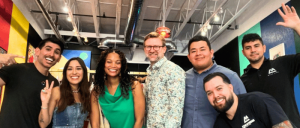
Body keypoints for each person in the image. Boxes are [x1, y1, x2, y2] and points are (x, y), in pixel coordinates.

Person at [240, 3, 300, 127]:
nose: (253, 50)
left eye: (256, 46)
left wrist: (298, 27)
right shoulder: (242, 80)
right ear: (243, 52)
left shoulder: (283, 63)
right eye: (248, 48)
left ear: (263, 48)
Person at [181, 35, 246, 128]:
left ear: (211, 53)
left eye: (202, 49)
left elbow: (243, 109)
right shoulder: (182, 78)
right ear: (189, 57)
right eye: (193, 51)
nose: (198, 53)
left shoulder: (230, 76)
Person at [0, 37, 64, 128]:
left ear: (59, 58)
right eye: (48, 49)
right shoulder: (16, 70)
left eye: (56, 52)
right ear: (37, 51)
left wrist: (45, 104)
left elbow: (44, 122)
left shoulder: (54, 83)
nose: (51, 54)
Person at [203, 72, 293, 128]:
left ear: (230, 88)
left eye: (219, 88)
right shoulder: (220, 124)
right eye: (209, 93)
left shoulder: (257, 100)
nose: (215, 95)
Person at [91, 49, 145, 128]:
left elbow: (140, 120)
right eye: (109, 62)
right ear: (103, 65)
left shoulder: (134, 86)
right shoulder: (97, 91)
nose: (113, 65)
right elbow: (95, 123)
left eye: (118, 62)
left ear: (122, 66)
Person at [143, 32, 185, 127]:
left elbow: (176, 111)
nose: (152, 50)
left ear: (164, 49)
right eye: (148, 46)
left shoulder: (173, 70)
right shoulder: (150, 73)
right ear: (145, 49)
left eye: (156, 46)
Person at [38, 57, 91, 128]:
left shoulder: (85, 94)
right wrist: (44, 103)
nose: (74, 72)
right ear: (65, 72)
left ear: (84, 72)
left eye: (78, 68)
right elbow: (43, 124)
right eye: (70, 69)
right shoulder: (57, 91)